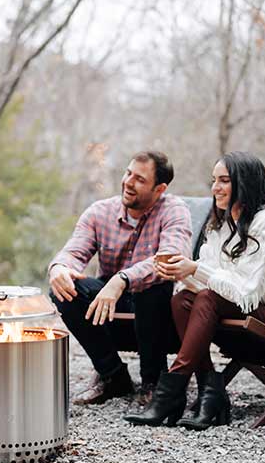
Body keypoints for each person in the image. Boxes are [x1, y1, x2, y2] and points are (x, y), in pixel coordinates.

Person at [125, 152, 265, 429]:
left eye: (224, 180)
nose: (215, 188)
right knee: (183, 298)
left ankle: (171, 392)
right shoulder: (222, 222)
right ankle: (211, 392)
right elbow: (208, 281)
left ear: (244, 182)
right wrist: (181, 273)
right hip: (240, 315)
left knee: (207, 298)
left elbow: (245, 292)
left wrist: (194, 270)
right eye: (214, 180)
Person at [48, 151, 192, 405]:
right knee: (66, 288)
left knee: (155, 284)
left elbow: (170, 258)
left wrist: (122, 279)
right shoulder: (99, 211)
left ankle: (153, 381)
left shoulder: (174, 210)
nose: (128, 182)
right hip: (108, 312)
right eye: (128, 174)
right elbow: (74, 252)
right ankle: (113, 376)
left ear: (159, 189)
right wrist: (59, 268)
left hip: (161, 321)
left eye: (139, 179)